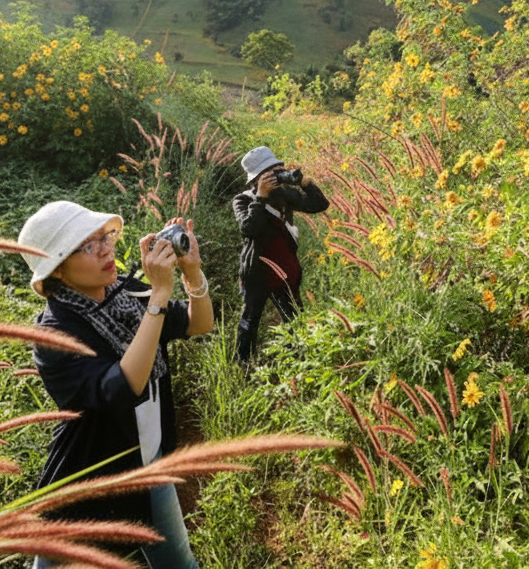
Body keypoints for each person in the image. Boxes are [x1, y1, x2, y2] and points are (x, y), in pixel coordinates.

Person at [18, 200, 213, 569]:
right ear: (57, 270)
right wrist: (157, 296)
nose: (107, 249)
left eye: (105, 237)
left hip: (148, 461)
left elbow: (197, 324)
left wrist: (192, 274)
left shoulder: (124, 296)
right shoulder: (54, 335)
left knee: (179, 565)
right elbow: (121, 387)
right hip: (90, 475)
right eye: (88, 246)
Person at [232, 146, 329, 364]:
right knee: (250, 318)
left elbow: (320, 204)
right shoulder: (243, 200)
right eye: (272, 171)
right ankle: (242, 361)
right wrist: (261, 198)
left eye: (279, 169)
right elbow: (249, 229)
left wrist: (305, 183)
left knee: (293, 319)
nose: (278, 175)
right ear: (257, 178)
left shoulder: (285, 195)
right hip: (256, 271)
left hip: (284, 269)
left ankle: (294, 362)